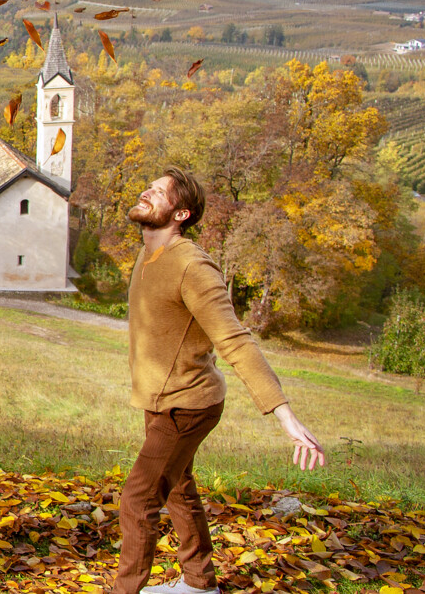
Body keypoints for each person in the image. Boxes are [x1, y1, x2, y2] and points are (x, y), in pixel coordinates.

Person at [117, 168, 326, 594]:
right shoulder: (148, 253)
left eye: (159, 192)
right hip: (160, 400)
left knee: (138, 499)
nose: (146, 192)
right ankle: (199, 584)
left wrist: (284, 415)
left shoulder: (192, 266)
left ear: (181, 214)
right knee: (178, 488)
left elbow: (235, 340)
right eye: (149, 186)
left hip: (187, 406)